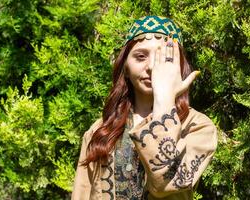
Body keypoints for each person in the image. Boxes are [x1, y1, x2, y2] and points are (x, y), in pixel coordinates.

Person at [72, 16, 218, 200]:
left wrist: (164, 97)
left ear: (179, 67)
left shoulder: (198, 127)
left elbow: (165, 184)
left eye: (163, 59)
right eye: (141, 56)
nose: (151, 67)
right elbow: (81, 194)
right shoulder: (100, 130)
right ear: (125, 67)